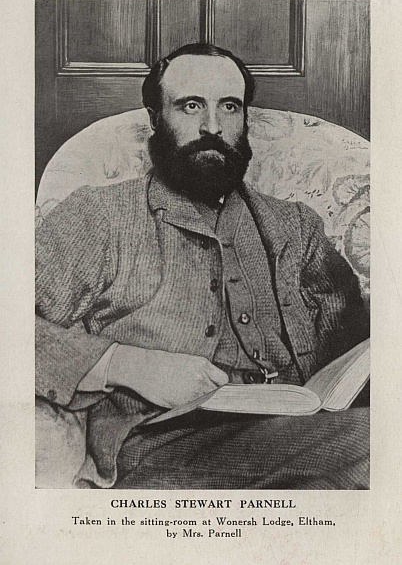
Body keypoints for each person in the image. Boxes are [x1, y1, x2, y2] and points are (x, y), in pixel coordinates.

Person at [36, 43, 369, 489]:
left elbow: (353, 346)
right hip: (160, 447)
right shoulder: (100, 216)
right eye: (191, 106)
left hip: (299, 438)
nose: (212, 126)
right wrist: (132, 366)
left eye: (229, 107)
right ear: (156, 119)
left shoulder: (297, 228)